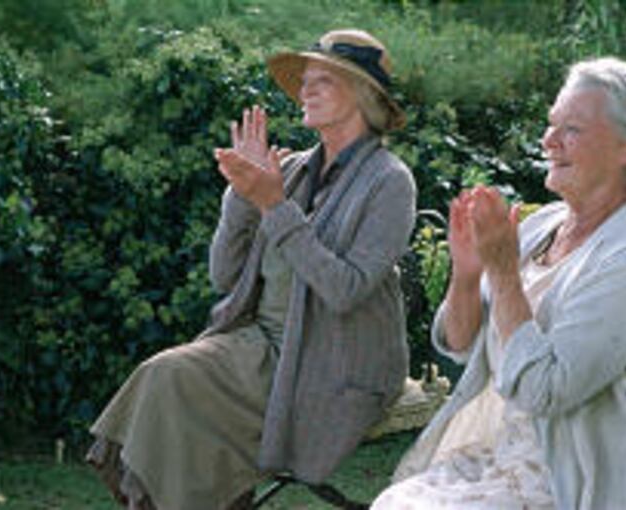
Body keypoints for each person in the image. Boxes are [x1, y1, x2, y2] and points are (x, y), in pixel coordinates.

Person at [86, 29, 416, 510]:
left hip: (332, 360)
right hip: (259, 346)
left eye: (323, 80)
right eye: (304, 80)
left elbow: (345, 291)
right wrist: (241, 198)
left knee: (176, 384)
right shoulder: (295, 169)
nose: (306, 90)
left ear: (364, 94)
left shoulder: (389, 181)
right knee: (164, 375)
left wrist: (275, 206)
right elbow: (225, 277)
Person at [372, 57, 626, 509]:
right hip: (511, 459)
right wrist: (469, 274)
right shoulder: (542, 225)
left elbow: (544, 390)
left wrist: (504, 273)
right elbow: (459, 343)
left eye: (572, 129)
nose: (549, 141)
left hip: (594, 480)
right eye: (552, 125)